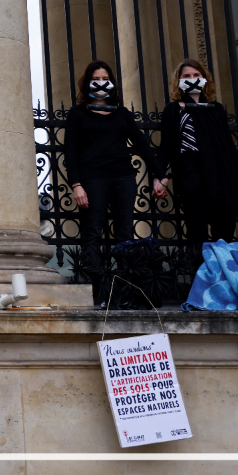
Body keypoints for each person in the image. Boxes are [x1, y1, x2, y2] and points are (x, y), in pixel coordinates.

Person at [65, 60, 165, 306]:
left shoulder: (122, 114)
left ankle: (126, 293)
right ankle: (96, 293)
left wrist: (160, 175)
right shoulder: (78, 114)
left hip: (123, 177)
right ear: (87, 83)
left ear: (112, 83)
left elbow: (141, 145)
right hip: (92, 179)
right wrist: (76, 184)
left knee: (125, 234)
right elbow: (70, 152)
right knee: (93, 234)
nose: (101, 83)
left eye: (104, 79)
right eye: (95, 79)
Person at [157, 58, 238, 244]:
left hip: (220, 174)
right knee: (196, 226)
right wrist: (160, 176)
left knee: (224, 224)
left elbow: (228, 145)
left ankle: (221, 266)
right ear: (179, 81)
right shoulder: (174, 110)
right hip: (191, 174)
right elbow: (166, 145)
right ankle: (199, 267)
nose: (192, 78)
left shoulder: (215, 109)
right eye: (187, 76)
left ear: (204, 78)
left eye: (196, 75)